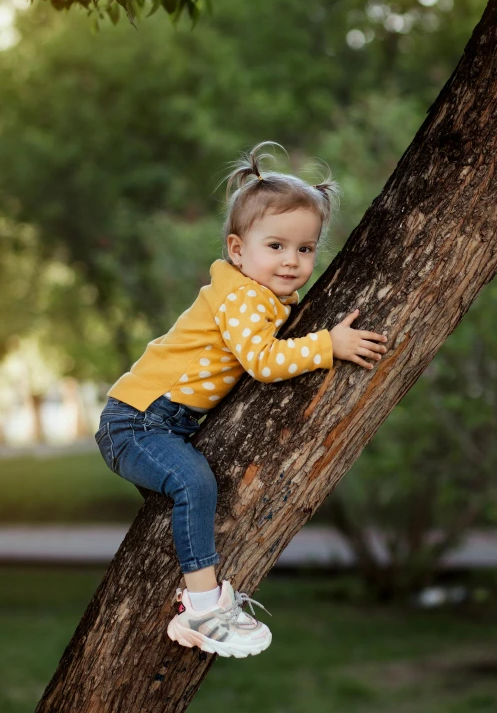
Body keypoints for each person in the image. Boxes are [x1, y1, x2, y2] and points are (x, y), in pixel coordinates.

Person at [94, 141, 388, 659]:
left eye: (304, 249)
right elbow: (263, 362)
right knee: (193, 482)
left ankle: (190, 607)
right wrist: (328, 345)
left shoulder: (262, 296)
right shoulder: (242, 296)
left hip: (167, 422)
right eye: (275, 246)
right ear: (237, 249)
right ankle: (205, 608)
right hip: (139, 421)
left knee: (191, 503)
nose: (293, 261)